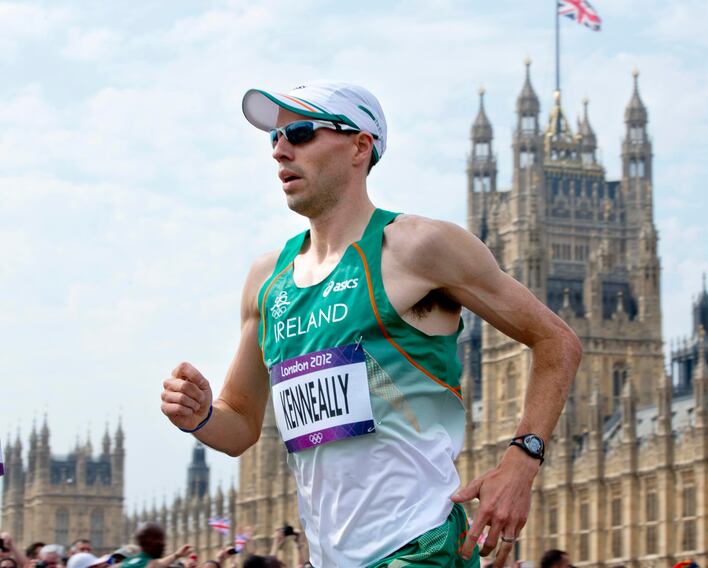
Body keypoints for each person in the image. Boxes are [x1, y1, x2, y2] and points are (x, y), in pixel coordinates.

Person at [161, 81, 582, 568]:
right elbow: (239, 427)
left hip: (420, 548)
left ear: (360, 146)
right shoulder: (266, 281)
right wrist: (200, 416)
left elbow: (557, 341)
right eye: (273, 139)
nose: (280, 150)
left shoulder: (418, 247)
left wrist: (522, 461)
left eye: (299, 133)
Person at [118, 523, 192, 568]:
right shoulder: (150, 564)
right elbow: (157, 564)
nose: (164, 544)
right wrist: (176, 555)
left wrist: (176, 555)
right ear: (150, 541)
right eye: (160, 539)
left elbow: (160, 563)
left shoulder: (127, 561)